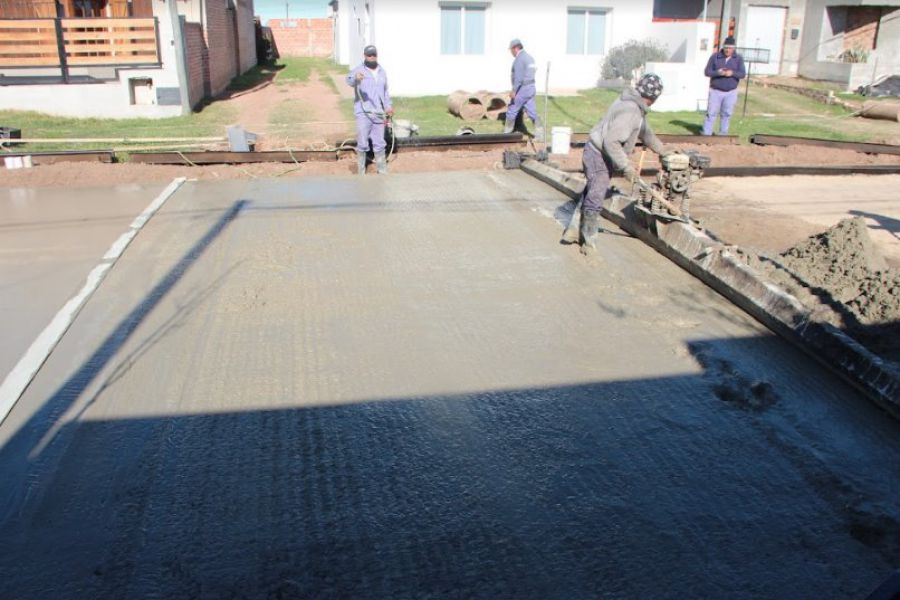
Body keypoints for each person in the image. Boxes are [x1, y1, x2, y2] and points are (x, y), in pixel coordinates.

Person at [573, 73, 671, 255]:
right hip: (598, 154)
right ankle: (588, 242)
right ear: (654, 98)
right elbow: (611, 142)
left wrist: (663, 151)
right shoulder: (632, 111)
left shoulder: (632, 103)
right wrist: (626, 167)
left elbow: (645, 133)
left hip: (598, 151)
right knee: (596, 195)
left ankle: (573, 230)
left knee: (593, 190)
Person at [346, 45, 394, 174]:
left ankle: (382, 172)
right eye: (369, 55)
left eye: (373, 54)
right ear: (365, 56)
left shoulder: (382, 71)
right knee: (362, 142)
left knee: (380, 142)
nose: (371, 57)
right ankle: (361, 172)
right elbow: (349, 80)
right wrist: (356, 78)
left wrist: (388, 106)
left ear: (376, 55)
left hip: (378, 113)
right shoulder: (359, 70)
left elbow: (385, 92)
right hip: (363, 113)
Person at [702, 36, 745, 136]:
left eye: (730, 48)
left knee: (726, 114)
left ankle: (722, 135)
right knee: (711, 113)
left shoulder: (738, 59)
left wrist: (732, 73)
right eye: (726, 48)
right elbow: (707, 72)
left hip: (731, 91)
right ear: (723, 47)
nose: (727, 50)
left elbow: (742, 74)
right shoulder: (715, 57)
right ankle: (706, 135)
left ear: (733, 48)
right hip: (715, 90)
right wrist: (718, 72)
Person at [504, 39, 543, 142]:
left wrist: (514, 91)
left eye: (511, 50)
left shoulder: (519, 59)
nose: (511, 52)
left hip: (522, 89)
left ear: (516, 48)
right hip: (531, 88)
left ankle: (506, 135)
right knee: (532, 112)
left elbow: (519, 78)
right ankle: (540, 135)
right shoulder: (530, 58)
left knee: (512, 110)